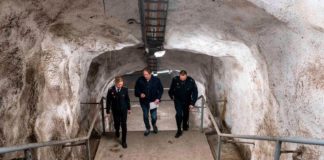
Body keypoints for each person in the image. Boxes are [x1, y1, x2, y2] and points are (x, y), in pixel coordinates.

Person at [168, 70, 198, 138]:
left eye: (183, 78)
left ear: (186, 76)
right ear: (179, 75)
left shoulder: (191, 81)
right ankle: (179, 130)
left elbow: (195, 92)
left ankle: (184, 125)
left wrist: (192, 103)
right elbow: (171, 89)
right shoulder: (175, 79)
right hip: (178, 100)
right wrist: (171, 95)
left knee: (185, 114)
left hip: (187, 100)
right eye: (181, 78)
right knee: (179, 114)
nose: (182, 79)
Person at [135, 67, 164, 136]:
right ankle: (148, 128)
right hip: (144, 102)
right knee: (145, 116)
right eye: (144, 74)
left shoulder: (156, 80)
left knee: (154, 117)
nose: (145, 76)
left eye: (146, 74)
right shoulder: (140, 80)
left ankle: (154, 125)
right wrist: (140, 94)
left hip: (153, 102)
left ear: (150, 74)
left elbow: (161, 90)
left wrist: (158, 98)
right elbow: (136, 90)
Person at [106, 76, 131, 148]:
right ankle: (117, 130)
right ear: (116, 83)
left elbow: (127, 99)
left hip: (123, 110)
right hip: (115, 110)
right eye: (119, 84)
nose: (120, 86)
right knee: (117, 123)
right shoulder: (111, 90)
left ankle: (124, 141)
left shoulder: (125, 89)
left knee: (124, 125)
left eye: (121, 84)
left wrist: (129, 108)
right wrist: (107, 111)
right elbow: (108, 101)